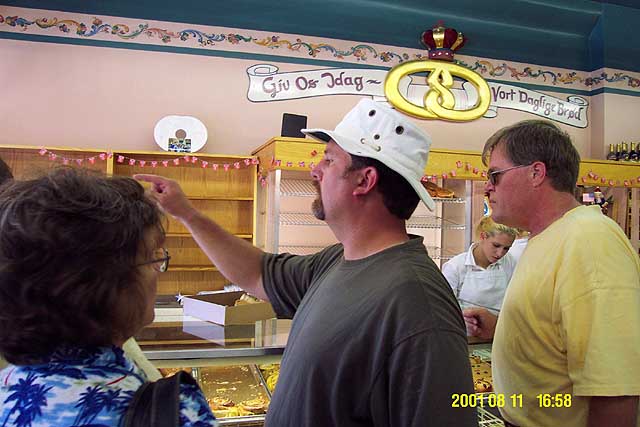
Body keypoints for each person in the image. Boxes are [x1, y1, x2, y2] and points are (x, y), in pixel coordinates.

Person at [136, 98, 477, 427]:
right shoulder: (335, 260)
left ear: (364, 180)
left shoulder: (418, 303)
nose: (315, 170)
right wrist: (187, 214)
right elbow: (256, 272)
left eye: (328, 160)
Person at [0, 168, 217, 427]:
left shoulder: (8, 387)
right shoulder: (175, 410)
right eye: (152, 258)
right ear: (104, 286)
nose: (158, 272)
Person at [465, 120, 640, 427]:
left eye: (495, 175)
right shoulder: (544, 237)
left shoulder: (590, 240)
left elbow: (614, 389)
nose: (488, 186)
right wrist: (500, 328)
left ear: (536, 173)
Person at [442, 216, 518, 315]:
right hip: (465, 328)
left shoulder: (509, 262)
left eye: (506, 248)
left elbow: (514, 299)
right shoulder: (455, 267)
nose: (500, 253)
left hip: (498, 327)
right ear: (483, 236)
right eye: (496, 245)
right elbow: (445, 308)